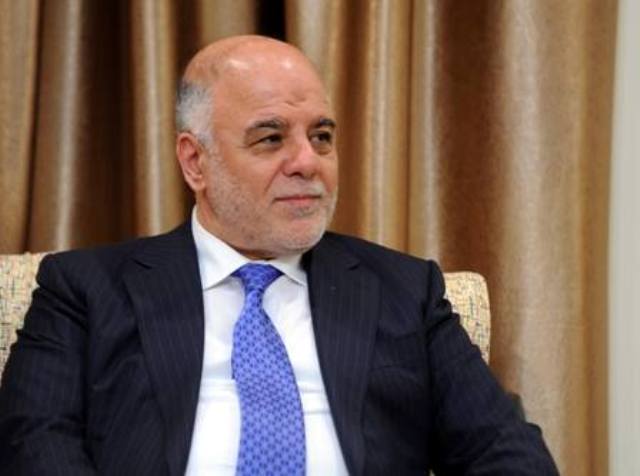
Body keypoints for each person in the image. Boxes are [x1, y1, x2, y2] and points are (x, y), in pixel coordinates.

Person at [0, 35, 558, 475]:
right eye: (270, 138)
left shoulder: (406, 292)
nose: (307, 162)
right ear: (195, 161)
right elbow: (33, 446)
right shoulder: (83, 290)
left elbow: (507, 453)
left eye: (321, 137)